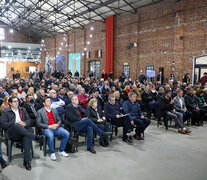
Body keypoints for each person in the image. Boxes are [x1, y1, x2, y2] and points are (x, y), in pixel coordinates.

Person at [0, 96, 42, 170]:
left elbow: (29, 121)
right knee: (16, 125)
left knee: (26, 137)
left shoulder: (23, 109)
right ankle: (35, 137)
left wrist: (24, 123)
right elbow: (3, 125)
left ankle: (26, 161)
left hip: (23, 132)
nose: (17, 103)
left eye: (17, 101)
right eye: (15, 101)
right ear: (10, 103)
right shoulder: (6, 111)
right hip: (12, 133)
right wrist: (15, 123)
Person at [36, 96, 69, 161]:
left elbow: (59, 120)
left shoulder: (54, 110)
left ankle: (61, 150)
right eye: (48, 101)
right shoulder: (40, 111)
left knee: (66, 133)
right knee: (50, 136)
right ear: (44, 103)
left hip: (56, 127)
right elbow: (38, 123)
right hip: (47, 128)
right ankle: (52, 153)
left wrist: (57, 124)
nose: (50, 102)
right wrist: (49, 126)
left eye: (50, 101)